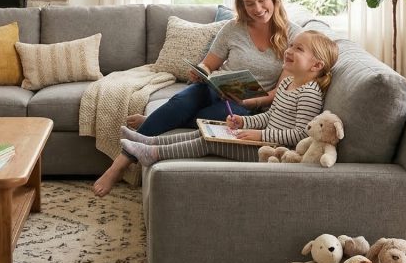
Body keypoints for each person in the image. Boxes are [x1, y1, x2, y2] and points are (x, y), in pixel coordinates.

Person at [93, 0, 300, 197]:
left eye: (262, 1)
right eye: (250, 4)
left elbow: (279, 92)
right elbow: (209, 64)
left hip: (249, 104)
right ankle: (118, 165)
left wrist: (250, 100)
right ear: (242, 5)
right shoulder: (233, 28)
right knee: (182, 101)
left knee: (213, 119)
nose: (258, 9)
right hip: (215, 88)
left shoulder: (293, 36)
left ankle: (161, 119)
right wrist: (200, 72)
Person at [117, 29, 338, 168]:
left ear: (316, 65)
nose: (289, 50)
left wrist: (258, 135)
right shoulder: (288, 84)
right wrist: (244, 122)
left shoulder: (309, 92)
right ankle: (148, 140)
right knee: (206, 131)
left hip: (271, 150)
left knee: (207, 142)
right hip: (261, 139)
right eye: (291, 45)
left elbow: (300, 135)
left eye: (298, 49)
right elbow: (271, 116)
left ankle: (153, 153)